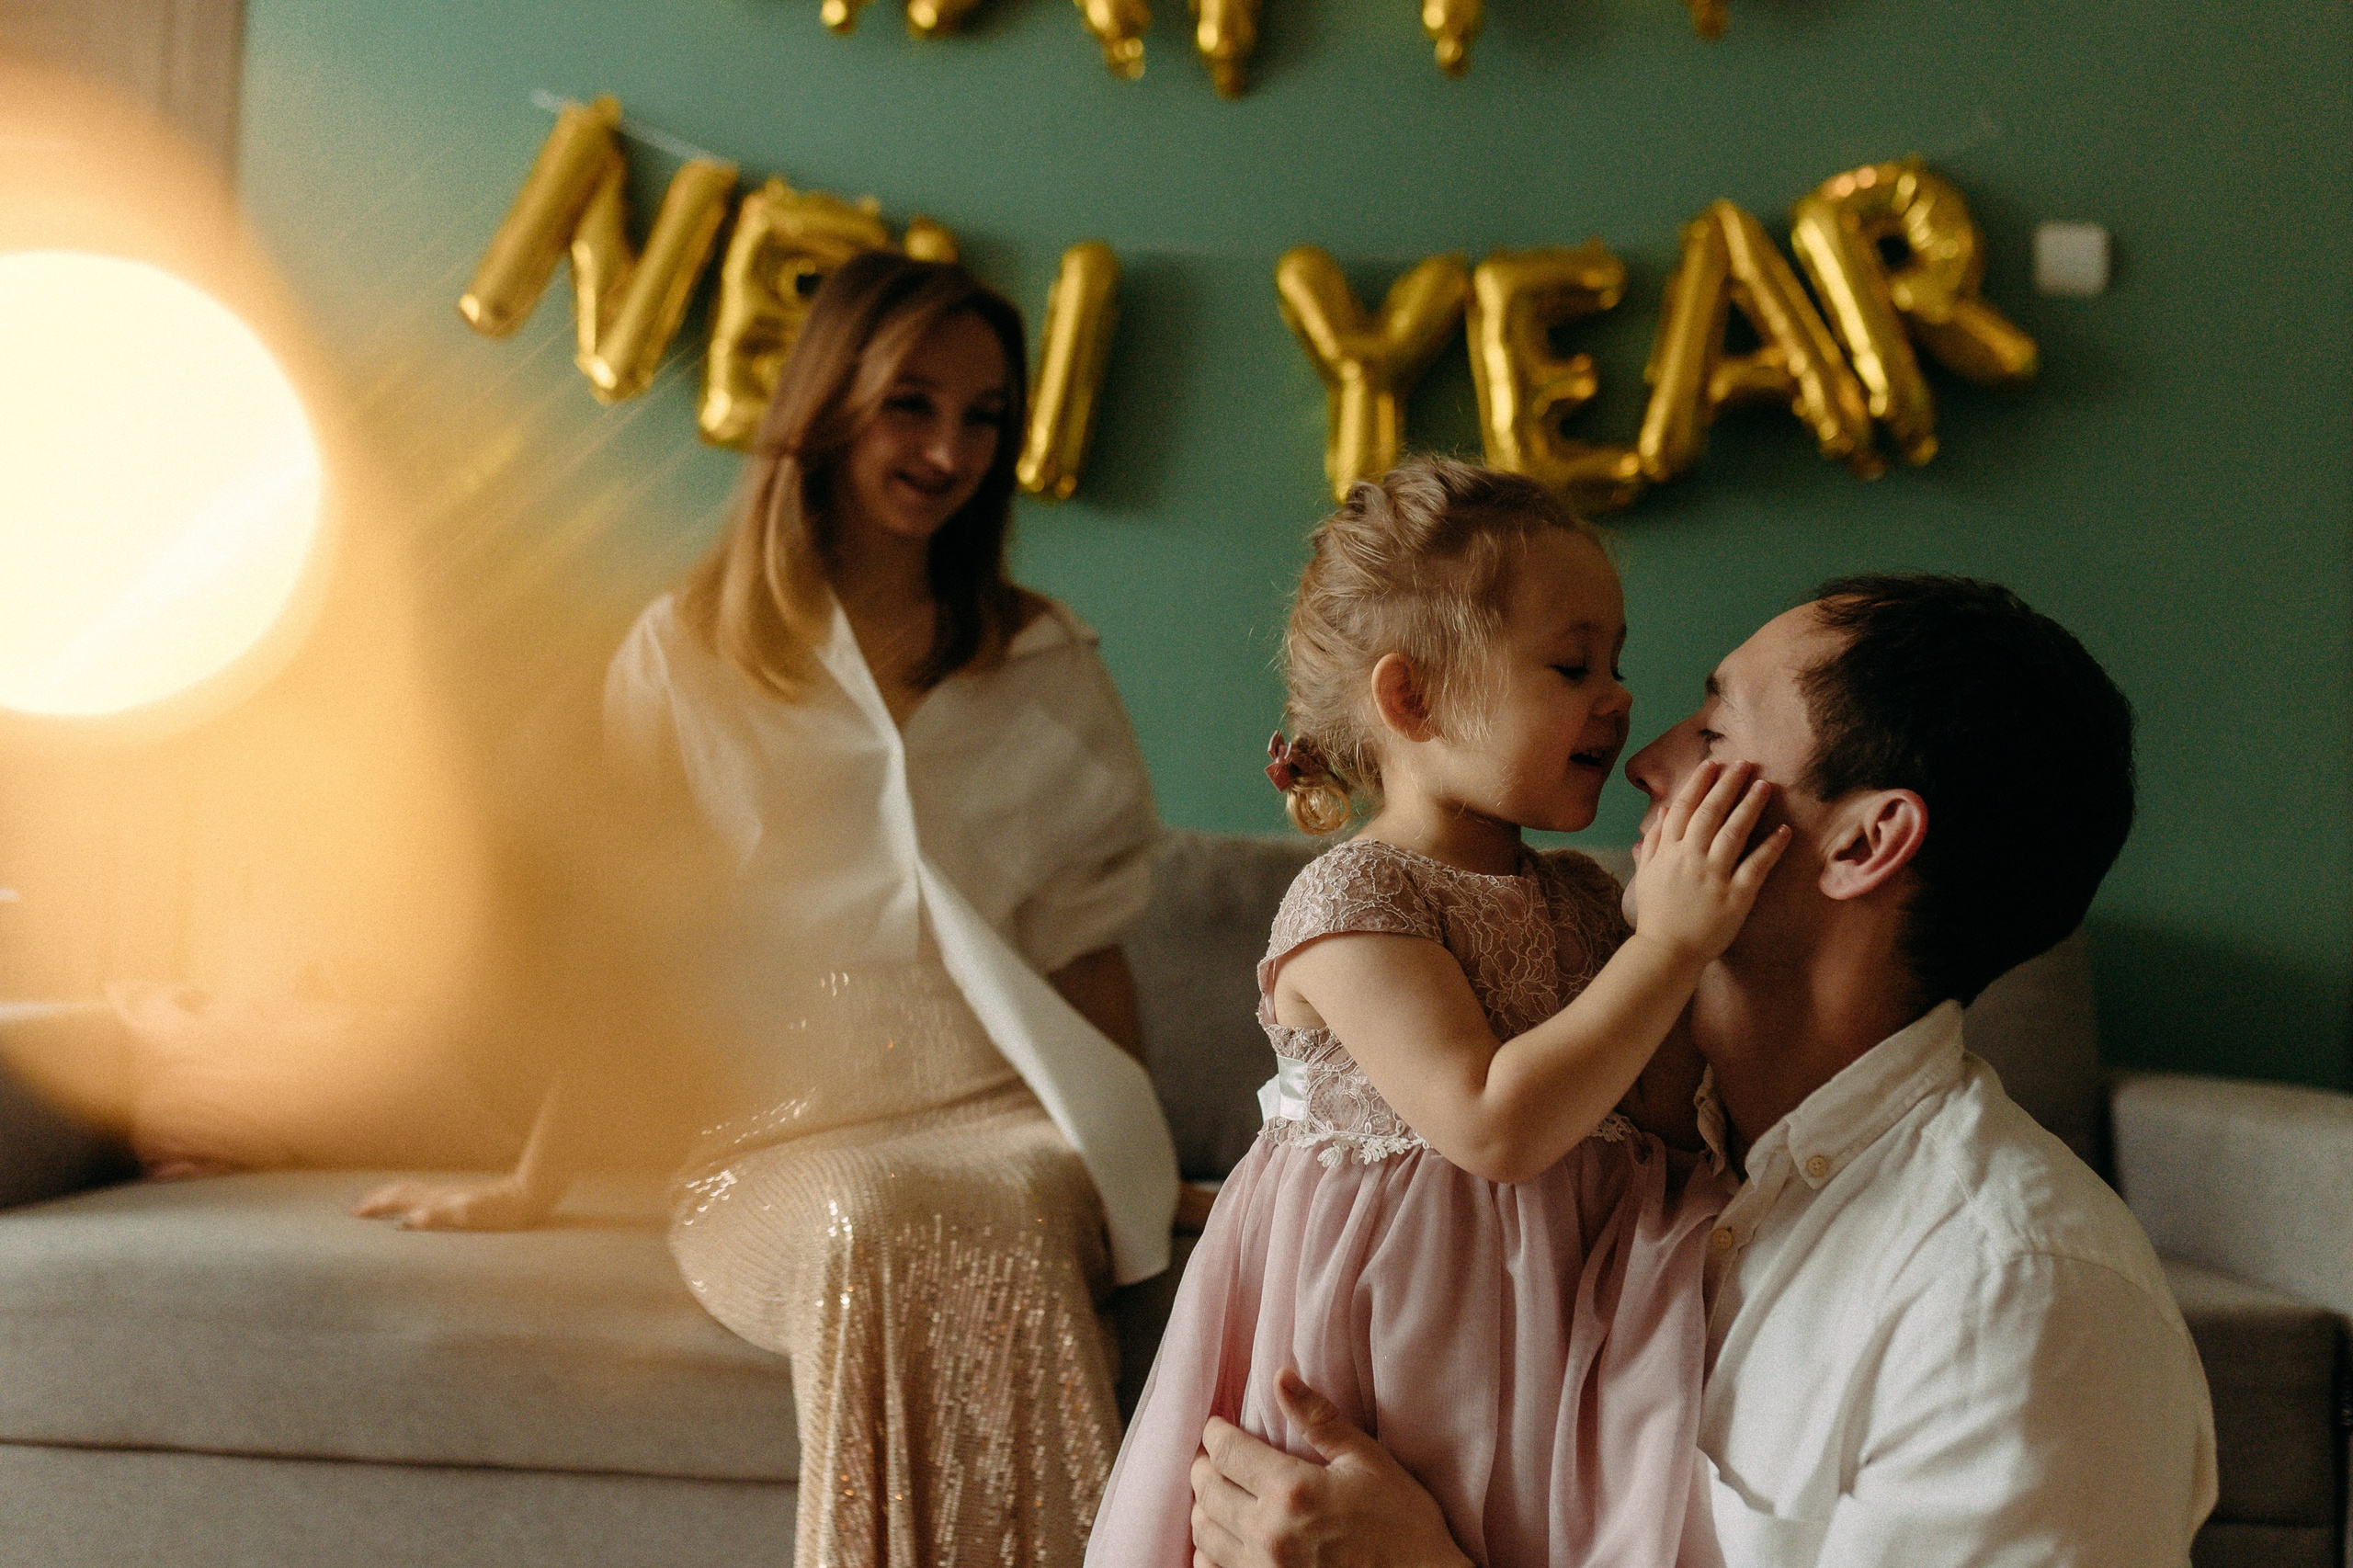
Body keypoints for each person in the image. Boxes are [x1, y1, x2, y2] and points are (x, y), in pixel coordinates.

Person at [356, 251, 1190, 1568]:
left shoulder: (1043, 658)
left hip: (1002, 1118)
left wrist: (1136, 1156)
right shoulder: (685, 653)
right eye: (912, 403)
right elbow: (625, 947)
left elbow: (1086, 946)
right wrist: (535, 1177)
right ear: (828, 401)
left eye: (983, 415)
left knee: (1001, 1204)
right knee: (880, 1210)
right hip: (775, 1137)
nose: (949, 447)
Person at [1188, 574, 2219, 1567]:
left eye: (1716, 734)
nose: (1646, 761)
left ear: (1864, 840)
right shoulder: (1618, 1157)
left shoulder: (2016, 1295)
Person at [1088, 460, 1788, 1568]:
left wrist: (1676, 934)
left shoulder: (1581, 896)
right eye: (1569, 663)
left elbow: (1656, 1116)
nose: (1616, 696)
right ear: (1410, 697)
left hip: (1559, 1314)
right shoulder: (1354, 899)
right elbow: (1489, 1124)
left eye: (1615, 660)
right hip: (1389, 1316)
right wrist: (1668, 947)